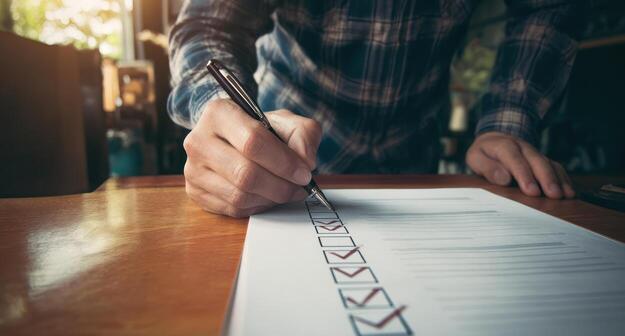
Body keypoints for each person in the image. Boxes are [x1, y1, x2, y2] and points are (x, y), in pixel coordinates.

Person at [168, 0, 582, 217]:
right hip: (275, 154)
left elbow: (545, 5)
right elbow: (209, 25)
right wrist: (223, 113)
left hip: (416, 162)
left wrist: (508, 120)